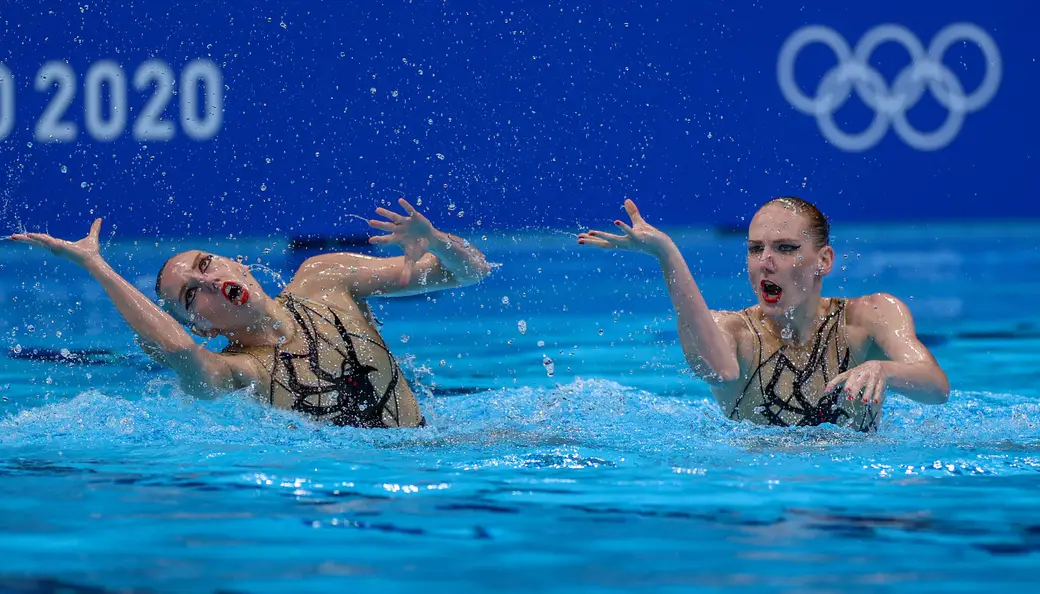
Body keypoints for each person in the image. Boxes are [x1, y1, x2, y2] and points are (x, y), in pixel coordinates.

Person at [9, 199, 492, 429]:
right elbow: (178, 353)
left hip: (434, 454)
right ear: (204, 326)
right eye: (192, 296)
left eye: (206, 266)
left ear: (236, 263)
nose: (209, 283)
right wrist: (96, 264)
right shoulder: (243, 372)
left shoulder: (324, 277)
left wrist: (438, 242)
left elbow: (469, 272)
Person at [577, 197, 949, 432]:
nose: (766, 262)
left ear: (824, 261)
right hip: (758, 494)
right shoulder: (735, 332)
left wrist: (883, 369)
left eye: (786, 248)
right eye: (756, 249)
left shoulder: (870, 316)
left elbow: (936, 387)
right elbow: (717, 370)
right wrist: (668, 255)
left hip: (852, 497)